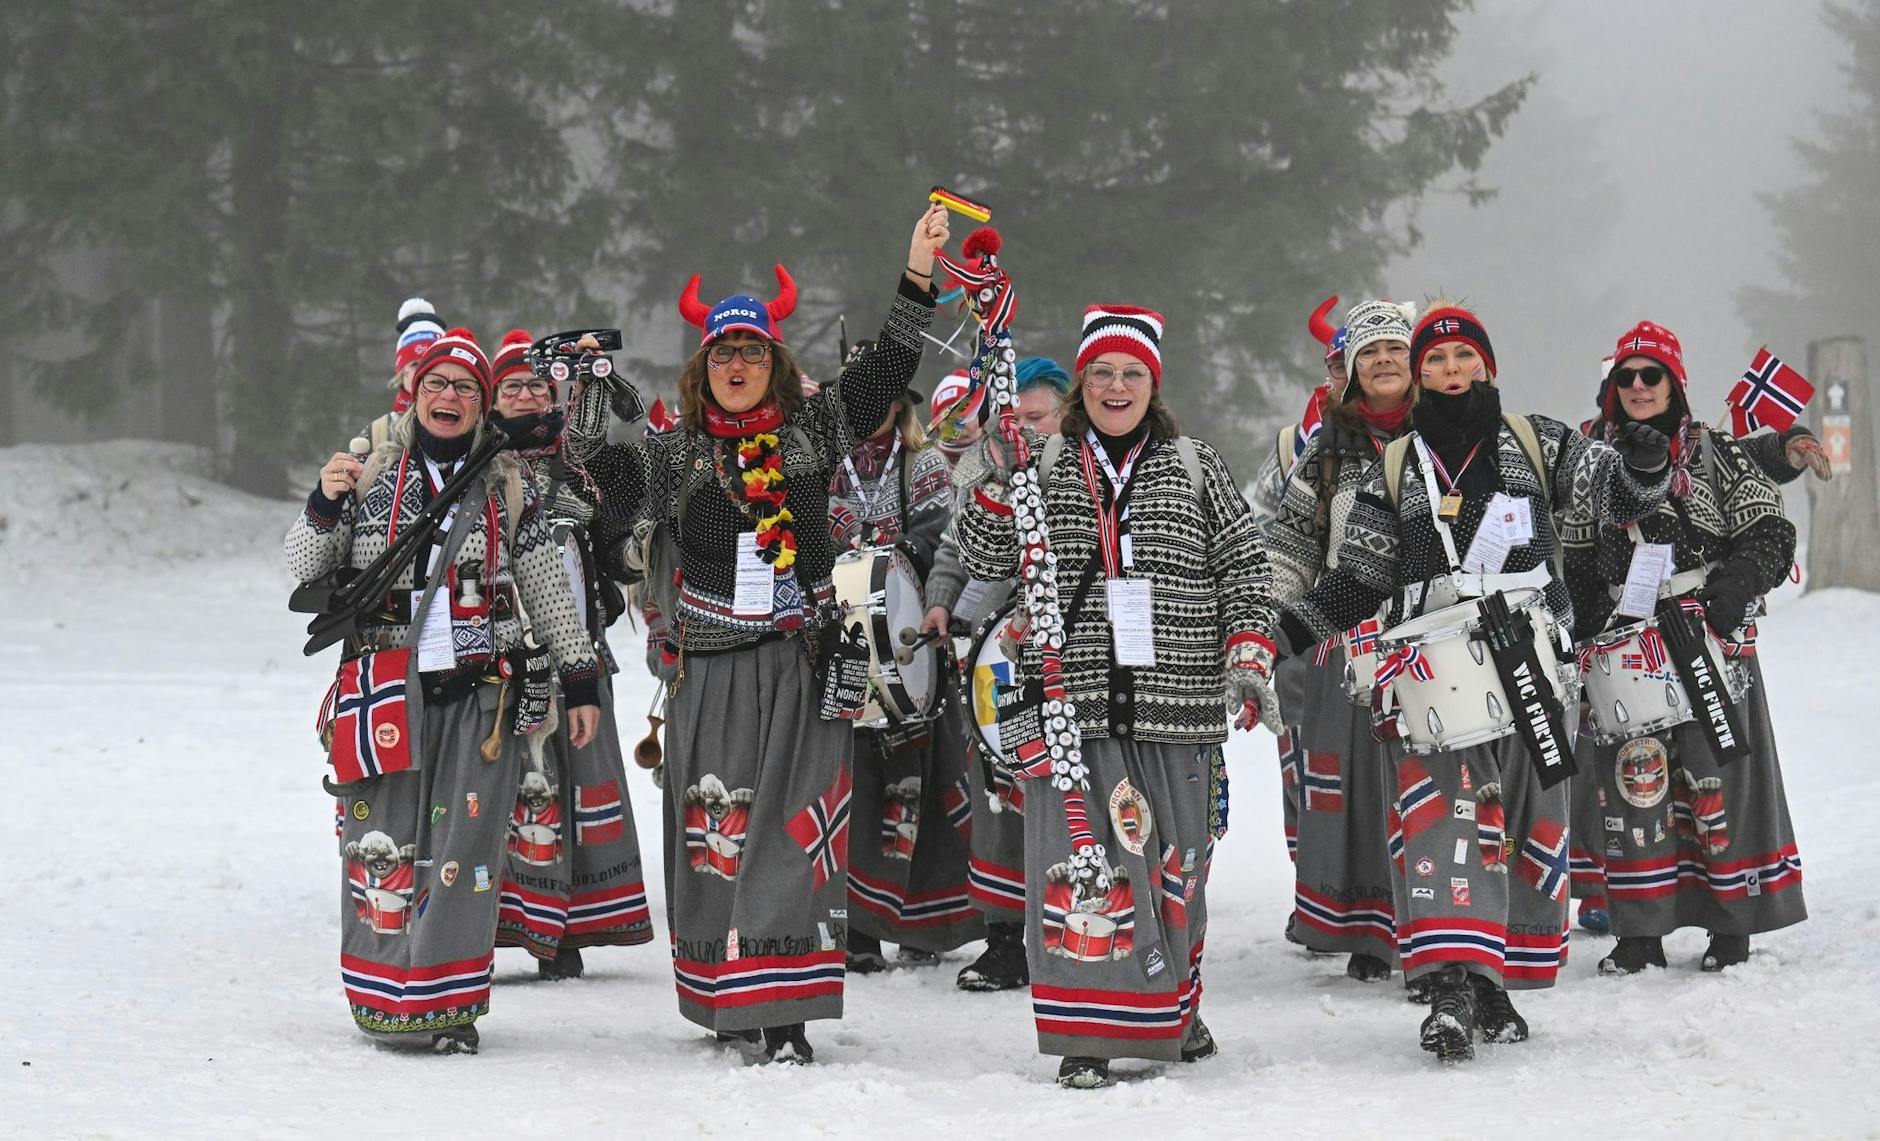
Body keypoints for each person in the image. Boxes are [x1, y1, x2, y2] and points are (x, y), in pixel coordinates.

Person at [579, 205, 946, 1065]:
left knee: (792, 830)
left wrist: (917, 272)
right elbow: (596, 478)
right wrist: (587, 392)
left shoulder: (813, 430)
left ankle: (785, 1011)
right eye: (722, 354)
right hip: (709, 671)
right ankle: (728, 997)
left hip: (802, 664)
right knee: (721, 825)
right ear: (702, 368)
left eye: (751, 351)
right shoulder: (674, 456)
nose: (737, 365)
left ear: (774, 364)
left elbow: (889, 367)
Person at [1270, 302, 1672, 1062]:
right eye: (1436, 360)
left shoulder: (1538, 440)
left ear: (1487, 364)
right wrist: (1283, 633)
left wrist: (1646, 468)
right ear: (1420, 375)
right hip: (1434, 673)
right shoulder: (1397, 465)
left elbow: (1616, 498)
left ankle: (1492, 983)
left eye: (1464, 357)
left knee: (1520, 820)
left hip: (1533, 661)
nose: (1451, 371)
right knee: (1441, 822)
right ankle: (1450, 985)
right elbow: (1359, 578)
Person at [952, 305, 1280, 1089]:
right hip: (1074, 707)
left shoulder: (1195, 465)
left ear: (1153, 385)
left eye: (1132, 372)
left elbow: (1244, 565)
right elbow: (983, 555)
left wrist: (1248, 653)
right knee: (1081, 871)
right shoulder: (1041, 463)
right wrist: (996, 469)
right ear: (1082, 383)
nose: (1116, 385)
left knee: (1177, 867)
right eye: (1101, 371)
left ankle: (1175, 1010)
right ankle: (1087, 1033)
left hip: (1178, 707)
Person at [287, 328, 602, 1054]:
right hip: (385, 689)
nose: (448, 397)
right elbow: (302, 564)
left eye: (464, 387)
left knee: (466, 849)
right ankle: (382, 997)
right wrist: (324, 501)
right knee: (383, 840)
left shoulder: (508, 483)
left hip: (479, 697)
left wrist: (580, 677)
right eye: (436, 384)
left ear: (482, 404)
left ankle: (450, 1004)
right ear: (415, 394)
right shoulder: (371, 473)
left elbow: (547, 589)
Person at [1560, 321, 1806, 975]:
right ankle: (1640, 932)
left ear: (1675, 383)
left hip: (1708, 630)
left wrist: (1742, 579)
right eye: (1627, 376)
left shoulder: (1715, 451)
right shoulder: (1590, 464)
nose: (1639, 386)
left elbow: (1769, 527)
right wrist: (1581, 631)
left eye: (1653, 374)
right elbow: (1575, 559)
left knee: (1717, 778)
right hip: (1626, 639)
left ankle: (1732, 924)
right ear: (1613, 387)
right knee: (1635, 783)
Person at [482, 330, 655, 980]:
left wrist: (640, 545)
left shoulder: (578, 467)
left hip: (581, 657)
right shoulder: (478, 468)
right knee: (512, 790)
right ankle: (498, 923)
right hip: (504, 662)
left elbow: (615, 554)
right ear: (493, 399)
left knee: (577, 791)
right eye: (512, 386)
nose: (526, 394)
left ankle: (568, 929)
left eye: (536, 384)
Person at [1263, 300, 1419, 983]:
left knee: (1429, 785)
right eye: (1369, 352)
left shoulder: (1445, 434)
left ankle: (1436, 927)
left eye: (1395, 348)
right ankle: (1369, 929)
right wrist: (1267, 620)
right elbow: (1292, 544)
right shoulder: (1325, 451)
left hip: (1434, 636)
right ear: (1350, 370)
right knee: (1356, 791)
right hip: (1345, 636)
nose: (1383, 360)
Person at [922, 358, 1073, 992]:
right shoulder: (982, 468)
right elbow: (955, 549)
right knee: (999, 792)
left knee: (1071, 792)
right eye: (1015, 419)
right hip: (996, 655)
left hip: (1075, 654)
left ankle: (1077, 930)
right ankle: (1006, 939)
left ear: (1065, 413)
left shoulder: (1085, 467)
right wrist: (939, 602)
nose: (1025, 430)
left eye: (1037, 417)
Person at [828, 387, 984, 970]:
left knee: (930, 781)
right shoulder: (822, 463)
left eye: (880, 398)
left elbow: (943, 537)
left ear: (899, 406)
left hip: (912, 639)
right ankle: (858, 929)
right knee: (855, 786)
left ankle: (927, 925)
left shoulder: (924, 465)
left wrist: (885, 550)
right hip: (843, 641)